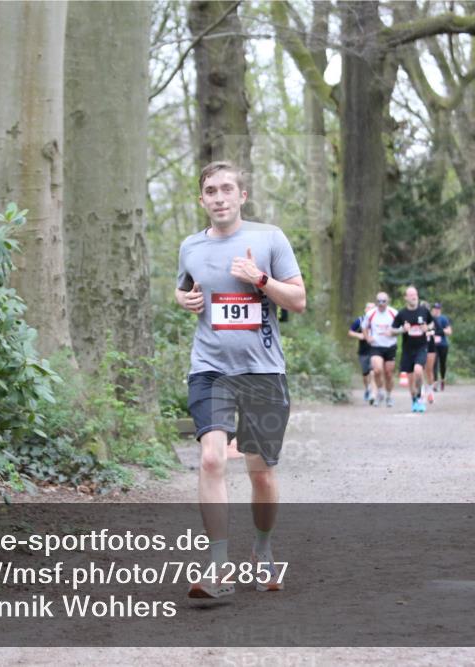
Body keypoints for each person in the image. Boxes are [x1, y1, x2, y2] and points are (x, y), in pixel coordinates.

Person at [176, 161, 306, 600]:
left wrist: (260, 279)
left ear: (242, 196)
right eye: (210, 190)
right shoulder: (191, 246)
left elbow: (300, 300)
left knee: (261, 475)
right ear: (202, 200)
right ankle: (217, 565)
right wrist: (183, 298)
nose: (219, 197)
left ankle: (264, 551)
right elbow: (185, 288)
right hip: (209, 368)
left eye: (227, 189)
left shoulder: (269, 239)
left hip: (263, 371)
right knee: (212, 460)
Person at [390, 286, 433, 413]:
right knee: (410, 379)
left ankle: (420, 397)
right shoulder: (402, 314)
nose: (414, 297)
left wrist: (428, 328)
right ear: (406, 298)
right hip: (408, 349)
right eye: (411, 295)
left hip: (422, 347)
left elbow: (431, 323)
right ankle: (414, 399)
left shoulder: (424, 311)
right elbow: (392, 330)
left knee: (418, 370)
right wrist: (402, 329)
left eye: (415, 294)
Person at [361, 292, 398, 407]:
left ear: (388, 302)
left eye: (384, 301)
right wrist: (367, 338)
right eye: (379, 301)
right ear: (376, 302)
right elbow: (364, 327)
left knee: (389, 373)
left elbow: (401, 328)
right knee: (377, 370)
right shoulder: (371, 314)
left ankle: (389, 396)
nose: (381, 304)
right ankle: (380, 391)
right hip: (376, 346)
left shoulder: (394, 313)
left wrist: (392, 332)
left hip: (390, 346)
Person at [348, 302, 377, 404]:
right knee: (365, 374)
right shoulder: (360, 320)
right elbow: (350, 332)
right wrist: (359, 335)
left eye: (372, 308)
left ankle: (373, 394)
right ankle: (367, 389)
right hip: (363, 351)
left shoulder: (378, 320)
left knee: (373, 372)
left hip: (375, 350)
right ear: (365, 310)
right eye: (368, 308)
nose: (370, 310)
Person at [430, 302, 452, 391]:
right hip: (433, 344)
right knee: (434, 363)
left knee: (442, 363)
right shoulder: (430, 319)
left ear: (440, 309)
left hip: (443, 344)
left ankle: (442, 379)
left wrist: (440, 330)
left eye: (438, 309)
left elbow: (449, 331)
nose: (436, 310)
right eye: (435, 308)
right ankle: (435, 383)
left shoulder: (444, 319)